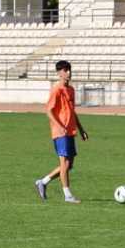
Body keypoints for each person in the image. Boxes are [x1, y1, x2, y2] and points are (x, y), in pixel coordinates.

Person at [35, 60, 87, 203]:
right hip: (60, 132)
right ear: (59, 73)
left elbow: (72, 111)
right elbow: (49, 111)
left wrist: (81, 129)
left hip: (70, 131)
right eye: (66, 70)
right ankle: (67, 195)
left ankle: (43, 182)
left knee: (69, 165)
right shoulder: (56, 90)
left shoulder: (71, 90)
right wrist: (59, 126)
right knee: (64, 163)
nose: (69, 72)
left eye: (69, 69)